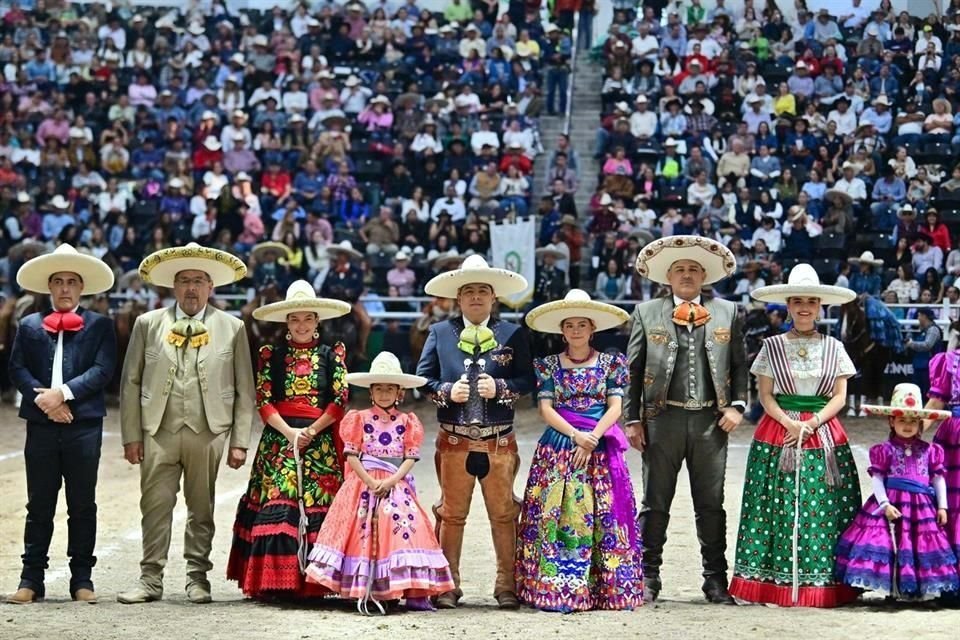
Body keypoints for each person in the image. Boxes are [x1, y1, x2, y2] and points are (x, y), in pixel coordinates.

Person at [118, 243, 255, 605]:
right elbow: (130, 382)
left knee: (202, 507)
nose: (191, 288)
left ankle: (198, 578)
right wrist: (131, 435)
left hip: (208, 431)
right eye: (183, 281)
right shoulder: (147, 324)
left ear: (211, 286)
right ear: (173, 287)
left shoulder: (233, 327)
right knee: (155, 505)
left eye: (198, 281)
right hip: (157, 430)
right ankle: (150, 578)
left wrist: (240, 440)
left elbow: (245, 388)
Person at [624, 236, 748, 603]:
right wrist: (633, 419)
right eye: (680, 269)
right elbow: (632, 372)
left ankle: (715, 579)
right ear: (668, 277)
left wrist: (737, 406)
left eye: (694, 269)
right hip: (662, 419)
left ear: (705, 275)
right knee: (655, 500)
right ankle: (648, 576)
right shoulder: (646, 312)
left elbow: (739, 364)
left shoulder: (728, 311)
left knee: (711, 503)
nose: (687, 274)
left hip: (712, 420)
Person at [730, 264, 862, 607]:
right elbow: (765, 396)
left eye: (811, 301)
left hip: (822, 431)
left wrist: (813, 422)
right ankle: (771, 584)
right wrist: (790, 424)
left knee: (823, 506)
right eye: (797, 301)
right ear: (788, 305)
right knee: (775, 503)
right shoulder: (771, 347)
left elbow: (839, 396)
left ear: (820, 306)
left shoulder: (834, 347)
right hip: (779, 430)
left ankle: (821, 585)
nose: (804, 307)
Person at [415, 255, 534, 609]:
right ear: (458, 297)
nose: (477, 297)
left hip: (500, 439)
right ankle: (447, 584)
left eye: (483, 291)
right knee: (451, 513)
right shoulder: (439, 332)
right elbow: (423, 379)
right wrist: (445, 392)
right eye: (469, 292)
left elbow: (528, 379)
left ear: (494, 296)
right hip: (454, 440)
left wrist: (501, 388)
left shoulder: (513, 333)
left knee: (503, 513)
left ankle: (506, 585)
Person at [516, 289, 643, 612]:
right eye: (569, 325)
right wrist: (576, 436)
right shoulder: (548, 366)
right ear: (562, 331)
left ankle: (605, 589)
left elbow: (616, 406)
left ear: (592, 329)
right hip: (560, 444)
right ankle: (557, 586)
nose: (575, 331)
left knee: (603, 512)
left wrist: (593, 437)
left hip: (598, 444)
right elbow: (545, 408)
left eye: (581, 325)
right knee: (556, 513)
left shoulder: (611, 363)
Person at [227, 280, 352, 599]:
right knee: (280, 503)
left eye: (307, 318)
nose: (301, 325)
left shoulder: (332, 355)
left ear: (317, 322)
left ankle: (313, 585)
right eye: (294, 319)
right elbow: (264, 399)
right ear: (286, 323)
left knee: (316, 505)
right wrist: (290, 433)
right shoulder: (271, 355)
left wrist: (310, 432)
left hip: (319, 442)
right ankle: (276, 584)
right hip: (280, 440)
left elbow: (339, 399)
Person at [6, 245, 117, 604]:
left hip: (83, 425)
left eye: (71, 282)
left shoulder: (100, 325)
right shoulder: (29, 325)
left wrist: (63, 395)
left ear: (81, 287)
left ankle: (81, 578)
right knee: (39, 502)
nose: (65, 288)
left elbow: (103, 370)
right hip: (41, 423)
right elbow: (17, 368)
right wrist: (46, 403)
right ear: (49, 287)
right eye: (58, 282)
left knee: (82, 503)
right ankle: (31, 578)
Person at [305, 352, 454, 612]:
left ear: (400, 392)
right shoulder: (358, 419)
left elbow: (410, 457)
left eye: (390, 388)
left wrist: (393, 481)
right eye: (379, 388)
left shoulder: (407, 422)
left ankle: (397, 587)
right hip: (364, 482)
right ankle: (365, 587)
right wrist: (370, 481)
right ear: (371, 391)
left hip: (395, 483)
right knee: (360, 531)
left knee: (403, 529)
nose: (384, 393)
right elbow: (351, 455)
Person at [835, 384, 959, 600]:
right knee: (892, 542)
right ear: (891, 421)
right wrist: (884, 504)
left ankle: (914, 589)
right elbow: (877, 479)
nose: (908, 426)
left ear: (921, 423)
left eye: (913, 421)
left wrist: (942, 506)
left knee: (917, 544)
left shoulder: (930, 451)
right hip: (892, 503)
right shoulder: (884, 450)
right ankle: (893, 589)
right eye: (902, 420)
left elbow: (939, 479)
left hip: (921, 507)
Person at [924, 347, 960, 603]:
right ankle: (950, 581)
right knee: (952, 506)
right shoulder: (950, 361)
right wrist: (912, 432)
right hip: (954, 439)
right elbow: (936, 402)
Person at [907, 308, 943, 399]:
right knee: (917, 394)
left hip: (929, 367)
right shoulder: (922, 330)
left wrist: (911, 344)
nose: (918, 318)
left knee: (927, 393)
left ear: (924, 316)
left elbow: (927, 345)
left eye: (919, 315)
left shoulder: (933, 330)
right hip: (919, 366)